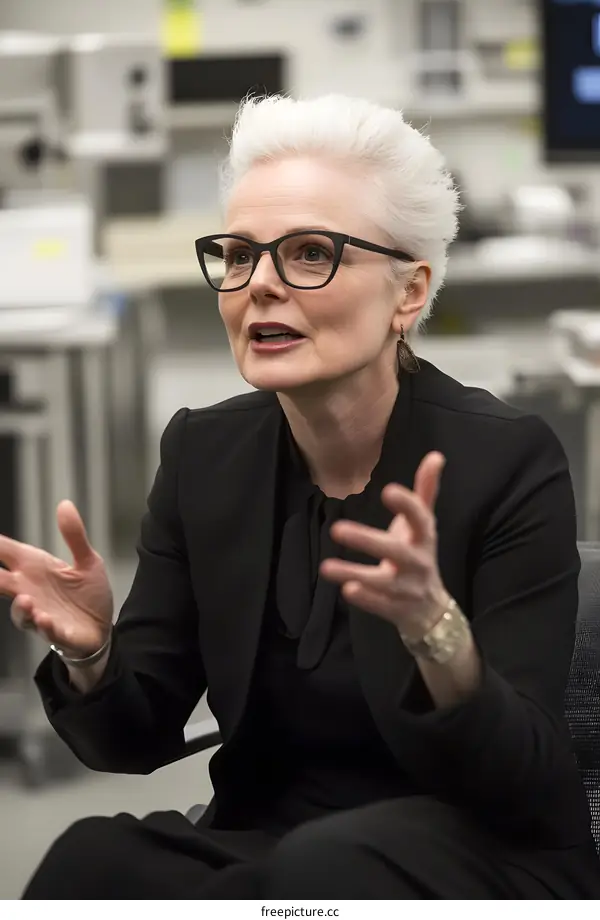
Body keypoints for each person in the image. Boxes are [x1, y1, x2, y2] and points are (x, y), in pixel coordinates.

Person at [2, 93, 600, 899]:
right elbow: (132, 740)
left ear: (409, 294)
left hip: (476, 844)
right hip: (273, 836)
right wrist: (91, 653)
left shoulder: (506, 460)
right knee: (91, 861)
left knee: (327, 869)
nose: (261, 286)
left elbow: (523, 772)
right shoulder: (203, 453)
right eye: (240, 255)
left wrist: (438, 637)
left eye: (310, 253)